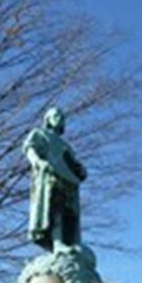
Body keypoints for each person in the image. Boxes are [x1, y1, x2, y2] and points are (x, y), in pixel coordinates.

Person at [23, 107, 87, 252]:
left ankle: (68, 241)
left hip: (68, 181)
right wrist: (38, 162)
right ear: (48, 119)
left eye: (62, 117)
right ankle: (57, 242)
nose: (60, 118)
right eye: (56, 115)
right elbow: (29, 149)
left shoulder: (66, 146)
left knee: (68, 212)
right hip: (50, 177)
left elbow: (73, 164)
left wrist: (81, 170)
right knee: (54, 208)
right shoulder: (39, 134)